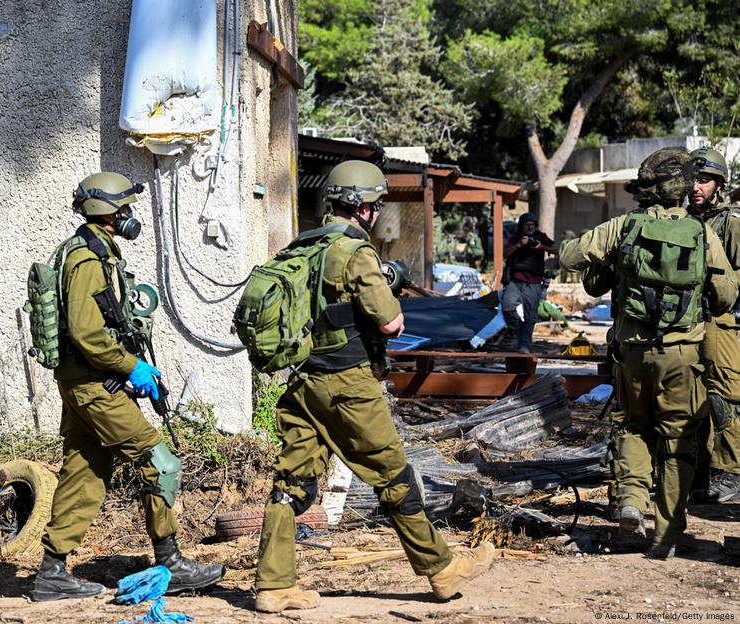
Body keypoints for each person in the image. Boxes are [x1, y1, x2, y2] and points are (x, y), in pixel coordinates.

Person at [252, 160, 495, 614]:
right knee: (394, 475)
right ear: (364, 207)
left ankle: (273, 585)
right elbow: (391, 322)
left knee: (290, 483)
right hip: (347, 384)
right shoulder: (355, 251)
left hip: (304, 381)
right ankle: (441, 571)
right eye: (376, 203)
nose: (377, 211)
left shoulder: (300, 246)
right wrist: (388, 287)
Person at [31, 172, 224, 601]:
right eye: (125, 209)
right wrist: (131, 365)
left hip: (87, 381)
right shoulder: (86, 260)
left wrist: (128, 367)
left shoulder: (93, 251)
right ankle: (170, 562)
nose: (131, 215)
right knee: (160, 463)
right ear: (108, 212)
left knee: (86, 470)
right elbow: (86, 333)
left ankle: (52, 573)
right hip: (93, 383)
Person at [560, 148, 738, 557]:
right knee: (679, 441)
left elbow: (570, 256)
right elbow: (726, 296)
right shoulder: (701, 232)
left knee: (632, 428)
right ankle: (666, 534)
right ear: (681, 189)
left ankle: (630, 504)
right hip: (684, 355)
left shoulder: (624, 225)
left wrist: (617, 256)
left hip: (633, 352)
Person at [686, 147, 740, 504]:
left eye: (704, 180)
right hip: (684, 325)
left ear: (718, 185)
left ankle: (731, 474)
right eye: (692, 179)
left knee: (724, 399)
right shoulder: (677, 220)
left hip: (721, 322)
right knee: (690, 401)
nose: (696, 186)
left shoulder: (730, 223)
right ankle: (697, 474)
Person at [502, 213, 557, 352]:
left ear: (535, 226)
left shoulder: (541, 236)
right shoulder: (516, 237)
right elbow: (505, 254)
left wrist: (541, 247)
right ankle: (517, 331)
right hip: (516, 280)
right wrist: (519, 244)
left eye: (532, 225)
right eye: (527, 225)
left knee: (530, 315)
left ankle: (525, 344)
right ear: (522, 226)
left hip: (534, 281)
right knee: (507, 306)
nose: (529, 227)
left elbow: (556, 251)